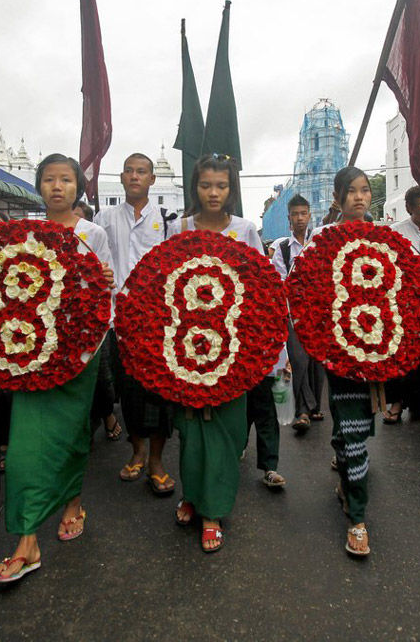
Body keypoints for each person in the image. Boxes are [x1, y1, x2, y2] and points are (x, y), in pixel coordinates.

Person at [0, 153, 114, 582]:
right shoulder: (22, 232)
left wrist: (102, 290)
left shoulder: (92, 233)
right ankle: (26, 541)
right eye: (48, 179)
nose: (57, 187)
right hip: (28, 349)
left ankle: (73, 502)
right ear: (38, 186)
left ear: (78, 187)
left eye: (65, 180)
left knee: (73, 434)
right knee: (24, 445)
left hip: (78, 349)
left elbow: (101, 293)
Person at [168, 154, 272, 552]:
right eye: (206, 185)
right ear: (195, 187)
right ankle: (192, 495)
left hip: (233, 349)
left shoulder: (245, 230)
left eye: (221, 186)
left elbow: (261, 287)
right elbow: (164, 283)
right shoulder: (178, 228)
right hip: (185, 348)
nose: (213, 193)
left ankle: (213, 511)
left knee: (225, 429)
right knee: (191, 427)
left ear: (232, 190)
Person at [309, 166, 384, 557]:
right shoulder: (322, 240)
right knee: (354, 428)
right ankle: (357, 516)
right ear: (337, 198)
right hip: (339, 351)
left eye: (365, 190)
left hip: (378, 350)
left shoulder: (384, 238)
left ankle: (345, 468)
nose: (359, 197)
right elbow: (306, 288)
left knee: (356, 428)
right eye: (350, 192)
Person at [94, 153, 175, 491]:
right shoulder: (105, 218)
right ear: (122, 177)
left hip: (157, 322)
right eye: (128, 171)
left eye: (142, 171)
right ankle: (137, 451)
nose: (134, 176)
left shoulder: (168, 220)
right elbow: (94, 261)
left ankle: (156, 459)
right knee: (128, 391)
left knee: (158, 391)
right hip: (119, 321)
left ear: (152, 179)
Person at [384, 187, 420, 424]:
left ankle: (418, 405)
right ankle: (396, 403)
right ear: (409, 208)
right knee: (402, 353)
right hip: (404, 302)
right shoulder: (396, 233)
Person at [272, 194, 326, 432]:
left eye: (303, 213)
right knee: (299, 358)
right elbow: (280, 282)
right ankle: (302, 410)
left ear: (309, 215)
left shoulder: (318, 243)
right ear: (289, 218)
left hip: (318, 313)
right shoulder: (282, 249)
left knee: (316, 361)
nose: (300, 218)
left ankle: (313, 406)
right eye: (295, 214)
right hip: (293, 313)